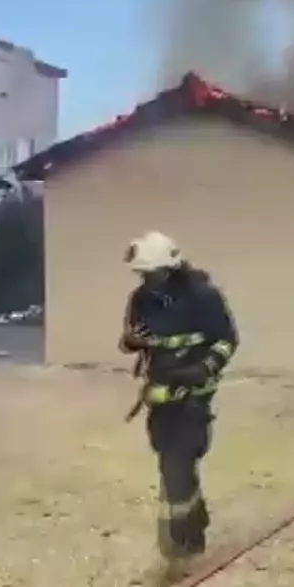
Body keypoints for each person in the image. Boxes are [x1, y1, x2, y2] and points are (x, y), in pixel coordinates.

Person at [119, 231, 237, 560]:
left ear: (170, 270)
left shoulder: (204, 297)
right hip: (159, 398)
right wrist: (131, 341)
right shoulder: (141, 299)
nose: (146, 280)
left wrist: (205, 367)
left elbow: (227, 339)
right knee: (168, 461)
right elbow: (131, 339)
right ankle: (195, 519)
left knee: (178, 463)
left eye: (151, 274)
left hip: (194, 396)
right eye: (143, 274)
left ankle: (183, 542)